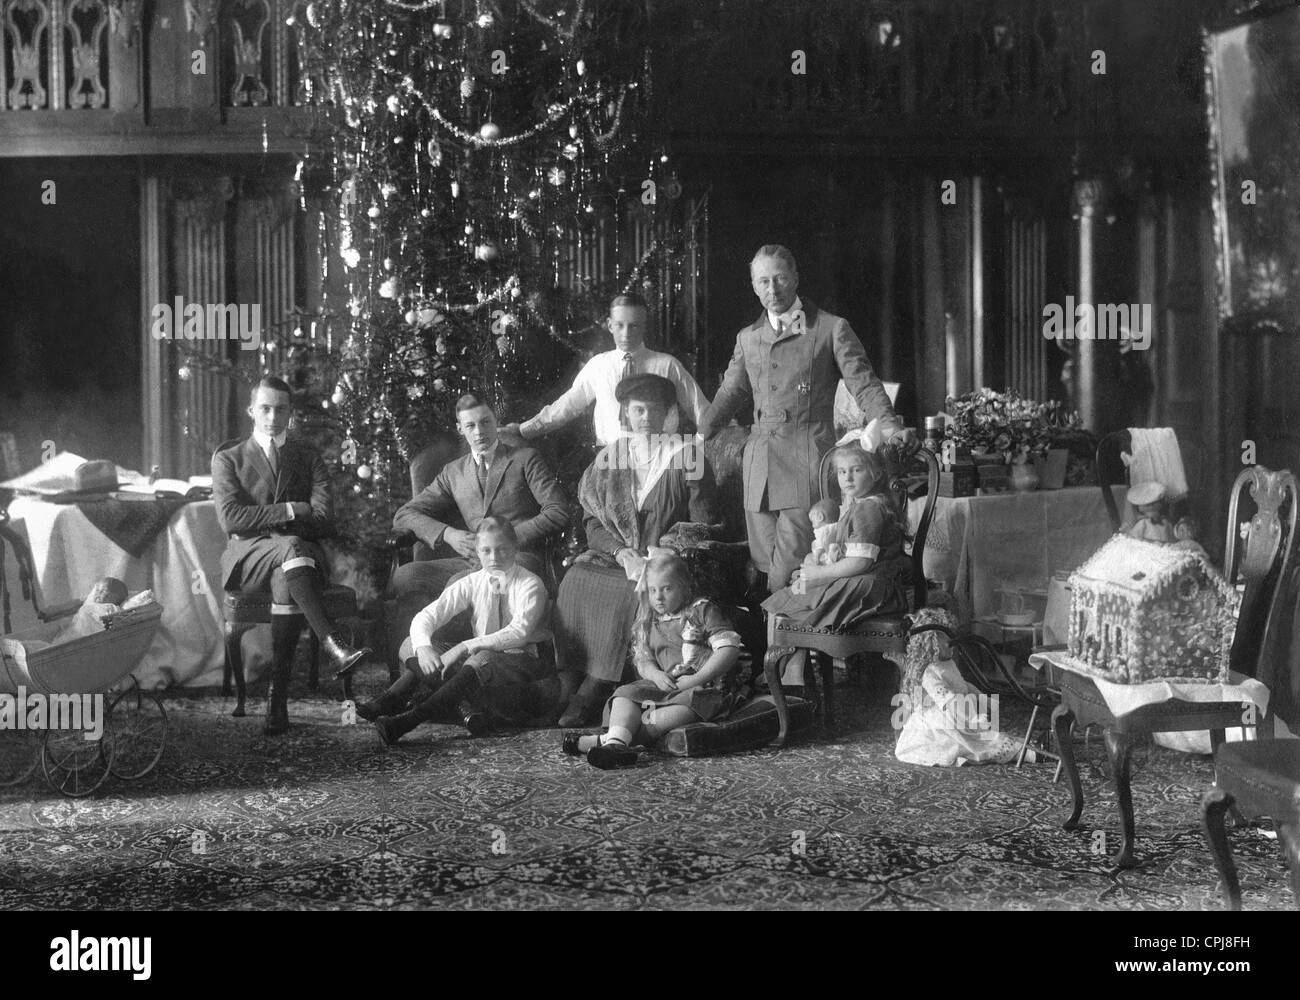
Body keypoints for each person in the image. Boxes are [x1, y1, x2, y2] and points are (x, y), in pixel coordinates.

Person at [697, 244, 916, 592]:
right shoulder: (748, 338)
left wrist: (888, 425)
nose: (773, 289)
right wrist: (699, 435)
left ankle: (783, 645)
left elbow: (864, 384)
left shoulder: (831, 328)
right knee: (766, 566)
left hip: (807, 462)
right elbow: (729, 393)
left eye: (780, 278)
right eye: (764, 281)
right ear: (753, 286)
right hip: (758, 468)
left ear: (796, 278)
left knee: (790, 567)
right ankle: (786, 643)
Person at [554, 373, 718, 727]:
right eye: (638, 410)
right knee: (576, 578)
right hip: (620, 557)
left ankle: (597, 685)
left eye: (654, 410)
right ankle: (568, 680)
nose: (646, 419)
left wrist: (662, 552)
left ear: (669, 414)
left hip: (667, 562)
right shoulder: (610, 459)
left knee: (631, 591)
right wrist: (620, 553)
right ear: (626, 414)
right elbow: (592, 522)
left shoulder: (688, 456)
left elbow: (704, 524)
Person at [213, 375, 374, 735]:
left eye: (281, 409)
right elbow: (231, 518)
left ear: (290, 413)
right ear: (252, 410)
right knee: (291, 548)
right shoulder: (229, 459)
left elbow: (324, 518)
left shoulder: (307, 456)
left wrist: (282, 527)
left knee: (286, 574)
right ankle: (334, 646)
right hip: (248, 558)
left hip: (297, 561)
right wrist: (289, 510)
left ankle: (276, 701)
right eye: (265, 408)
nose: (272, 416)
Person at [385, 393, 568, 663]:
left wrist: (504, 540)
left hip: (517, 557)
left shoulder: (524, 458)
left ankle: (456, 666)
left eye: (485, 422)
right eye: (470, 426)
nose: (479, 431)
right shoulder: (454, 471)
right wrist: (448, 534)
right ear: (460, 429)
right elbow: (405, 514)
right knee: (406, 576)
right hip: (472, 559)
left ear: (496, 422)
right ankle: (423, 659)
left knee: (457, 584)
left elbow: (558, 510)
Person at [368, 517, 553, 747]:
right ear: (477, 551)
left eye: (502, 550)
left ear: (515, 548)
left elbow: (519, 632)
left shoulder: (530, 584)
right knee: (410, 643)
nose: (494, 558)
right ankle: (464, 709)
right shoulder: (473, 581)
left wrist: (464, 646)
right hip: (481, 662)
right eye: (486, 551)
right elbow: (428, 616)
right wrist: (424, 648)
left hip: (525, 659)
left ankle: (407, 721)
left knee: (482, 657)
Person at [561, 553, 748, 769]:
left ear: (685, 587)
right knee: (624, 696)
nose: (658, 597)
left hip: (704, 688)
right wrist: (655, 675)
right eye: (653, 590)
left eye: (667, 589)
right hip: (665, 686)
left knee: (657, 717)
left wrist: (696, 679)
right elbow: (643, 660)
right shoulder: (650, 617)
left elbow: (729, 649)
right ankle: (616, 747)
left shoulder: (701, 610)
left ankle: (608, 742)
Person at [762, 442, 909, 691]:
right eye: (842, 472)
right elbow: (843, 551)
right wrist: (815, 562)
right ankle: (791, 670)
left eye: (857, 470)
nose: (847, 478)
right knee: (796, 587)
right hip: (862, 578)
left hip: (867, 583)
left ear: (876, 473)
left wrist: (818, 573)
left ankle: (787, 671)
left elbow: (860, 561)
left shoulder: (868, 508)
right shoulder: (860, 505)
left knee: (787, 600)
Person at [498, 292, 709, 448]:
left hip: (659, 457)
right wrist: (524, 430)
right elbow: (567, 407)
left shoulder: (667, 365)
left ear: (645, 326)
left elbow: (701, 410)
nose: (626, 333)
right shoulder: (599, 366)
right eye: (620, 325)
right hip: (609, 458)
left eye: (634, 325)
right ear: (609, 325)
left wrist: (699, 445)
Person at [892, 606, 1028, 766]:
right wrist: (972, 719)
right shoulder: (929, 672)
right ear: (933, 642)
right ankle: (1024, 754)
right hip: (943, 719)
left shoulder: (948, 663)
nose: (954, 645)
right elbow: (949, 701)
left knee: (983, 737)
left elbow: (963, 685)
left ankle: (1024, 751)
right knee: (973, 743)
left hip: (958, 713)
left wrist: (981, 696)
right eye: (947, 641)